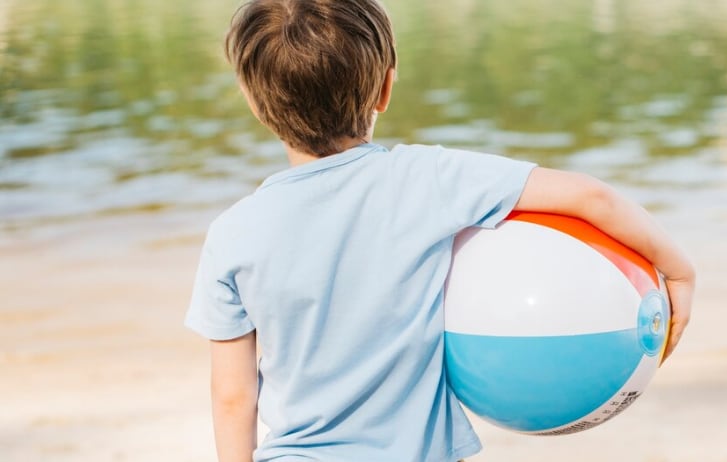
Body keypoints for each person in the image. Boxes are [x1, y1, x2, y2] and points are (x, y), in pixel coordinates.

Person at [184, 0, 696, 461]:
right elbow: (592, 198)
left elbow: (233, 396)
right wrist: (677, 271)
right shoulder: (428, 178)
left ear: (254, 104)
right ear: (385, 87)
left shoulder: (233, 233)